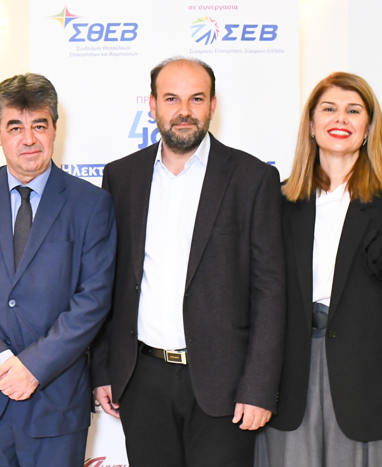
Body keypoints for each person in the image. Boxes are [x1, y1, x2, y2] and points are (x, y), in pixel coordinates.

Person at [90, 57, 286, 467]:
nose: (184, 110)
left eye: (196, 99)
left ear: (213, 105)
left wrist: (259, 386)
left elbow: (270, 291)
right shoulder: (121, 177)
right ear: (152, 105)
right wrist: (104, 369)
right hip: (141, 380)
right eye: (171, 99)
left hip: (225, 386)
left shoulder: (253, 178)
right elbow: (108, 282)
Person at [0, 73, 117, 466]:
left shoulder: (91, 203)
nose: (28, 139)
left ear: (55, 129)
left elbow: (94, 298)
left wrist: (34, 366)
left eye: (39, 126)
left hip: (56, 400)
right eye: (15, 127)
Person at [258, 72, 382, 467]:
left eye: (353, 110)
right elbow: (260, 299)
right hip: (289, 380)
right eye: (329, 109)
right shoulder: (278, 201)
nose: (340, 119)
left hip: (371, 384)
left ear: (368, 128)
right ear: (312, 125)